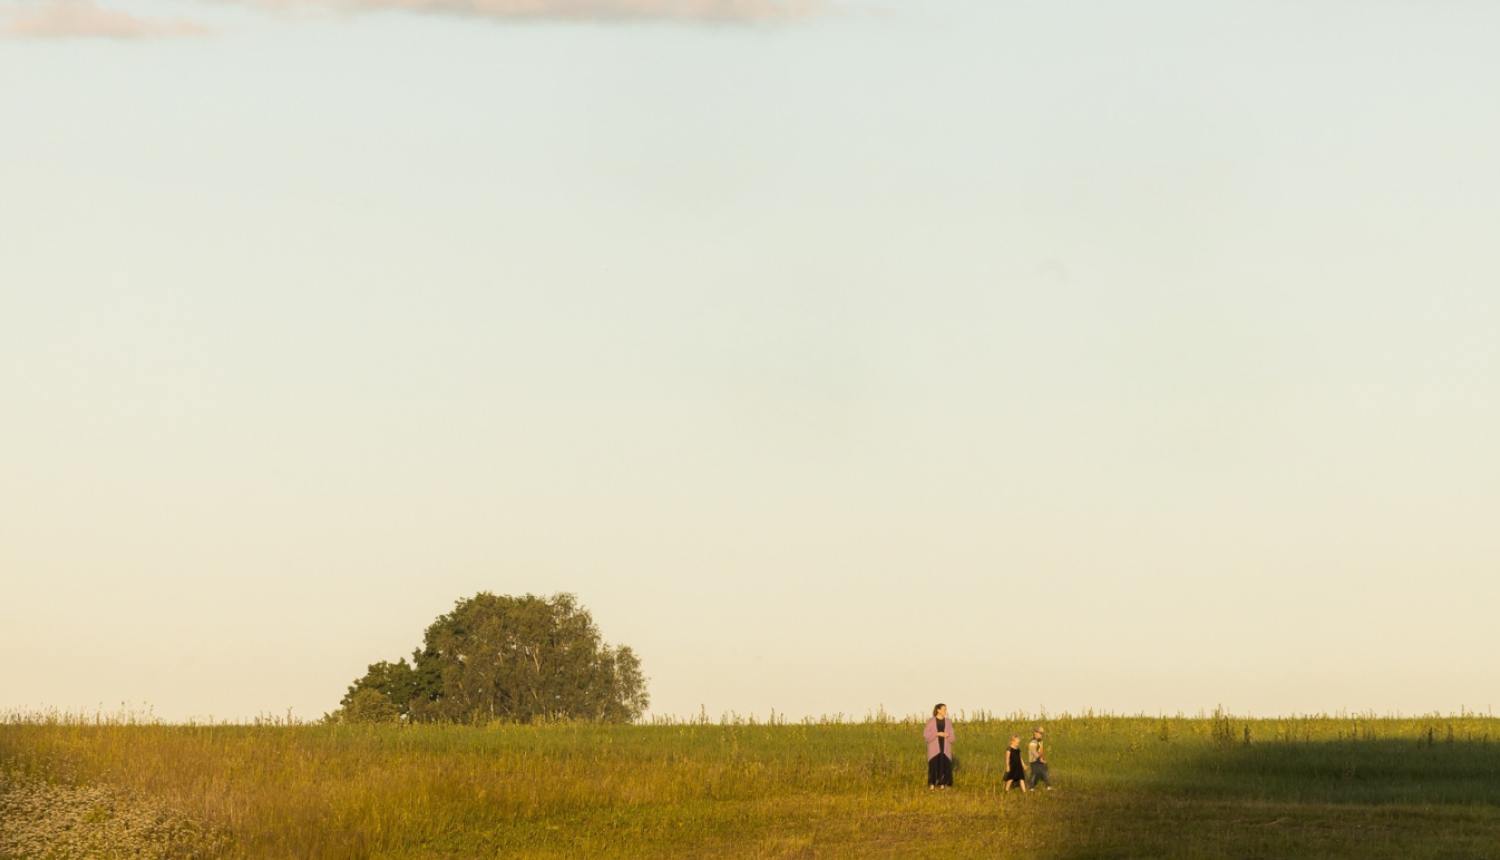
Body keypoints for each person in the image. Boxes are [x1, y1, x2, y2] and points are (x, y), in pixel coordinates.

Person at [923, 703, 955, 790]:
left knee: (943, 765)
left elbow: (952, 735)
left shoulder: (948, 722)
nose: (945, 711)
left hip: (945, 748)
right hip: (934, 748)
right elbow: (926, 734)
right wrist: (937, 734)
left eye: (946, 709)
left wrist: (947, 735)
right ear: (938, 710)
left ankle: (942, 785)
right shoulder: (931, 721)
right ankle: (932, 785)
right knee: (933, 766)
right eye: (944, 710)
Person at [1027, 726, 1051, 790]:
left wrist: (1042, 758)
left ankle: (1048, 785)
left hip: (1040, 759)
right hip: (1034, 760)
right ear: (1035, 732)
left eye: (1042, 733)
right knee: (1034, 773)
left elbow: (1040, 750)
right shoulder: (1033, 742)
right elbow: (1033, 751)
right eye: (1040, 733)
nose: (1041, 735)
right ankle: (1031, 786)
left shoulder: (1040, 741)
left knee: (1045, 772)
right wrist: (1039, 758)